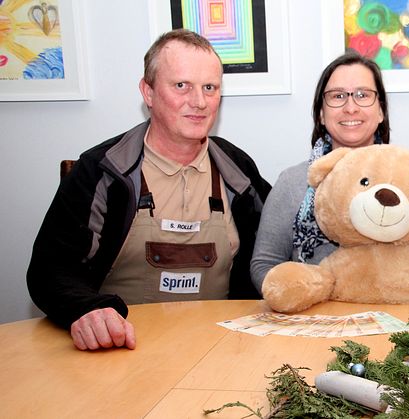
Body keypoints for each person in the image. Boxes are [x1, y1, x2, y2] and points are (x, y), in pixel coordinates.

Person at [27, 29, 271, 351]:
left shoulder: (237, 171)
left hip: (219, 349)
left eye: (209, 88)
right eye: (181, 86)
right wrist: (84, 309)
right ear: (149, 92)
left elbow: (277, 250)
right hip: (122, 349)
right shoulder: (102, 170)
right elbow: (49, 269)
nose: (198, 102)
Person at [250, 52, 390, 293]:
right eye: (337, 96)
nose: (350, 107)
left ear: (380, 111)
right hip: (312, 321)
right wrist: (298, 296)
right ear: (321, 115)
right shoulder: (294, 182)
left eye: (362, 95)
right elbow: (264, 265)